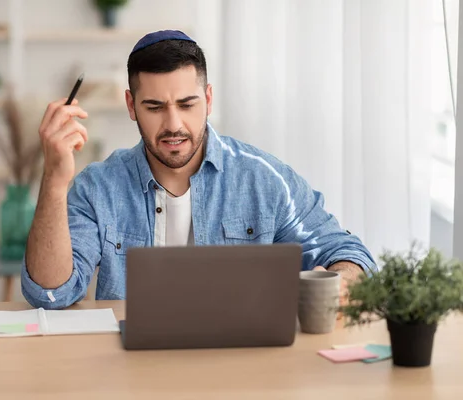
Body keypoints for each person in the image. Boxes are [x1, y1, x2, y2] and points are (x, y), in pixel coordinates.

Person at [21, 30, 376, 310]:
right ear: (131, 106)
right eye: (154, 107)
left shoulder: (264, 179)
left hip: (240, 368)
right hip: (131, 373)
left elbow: (349, 254)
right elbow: (50, 293)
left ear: (208, 99)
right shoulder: (98, 188)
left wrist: (341, 282)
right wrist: (54, 177)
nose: (173, 124)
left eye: (187, 104)